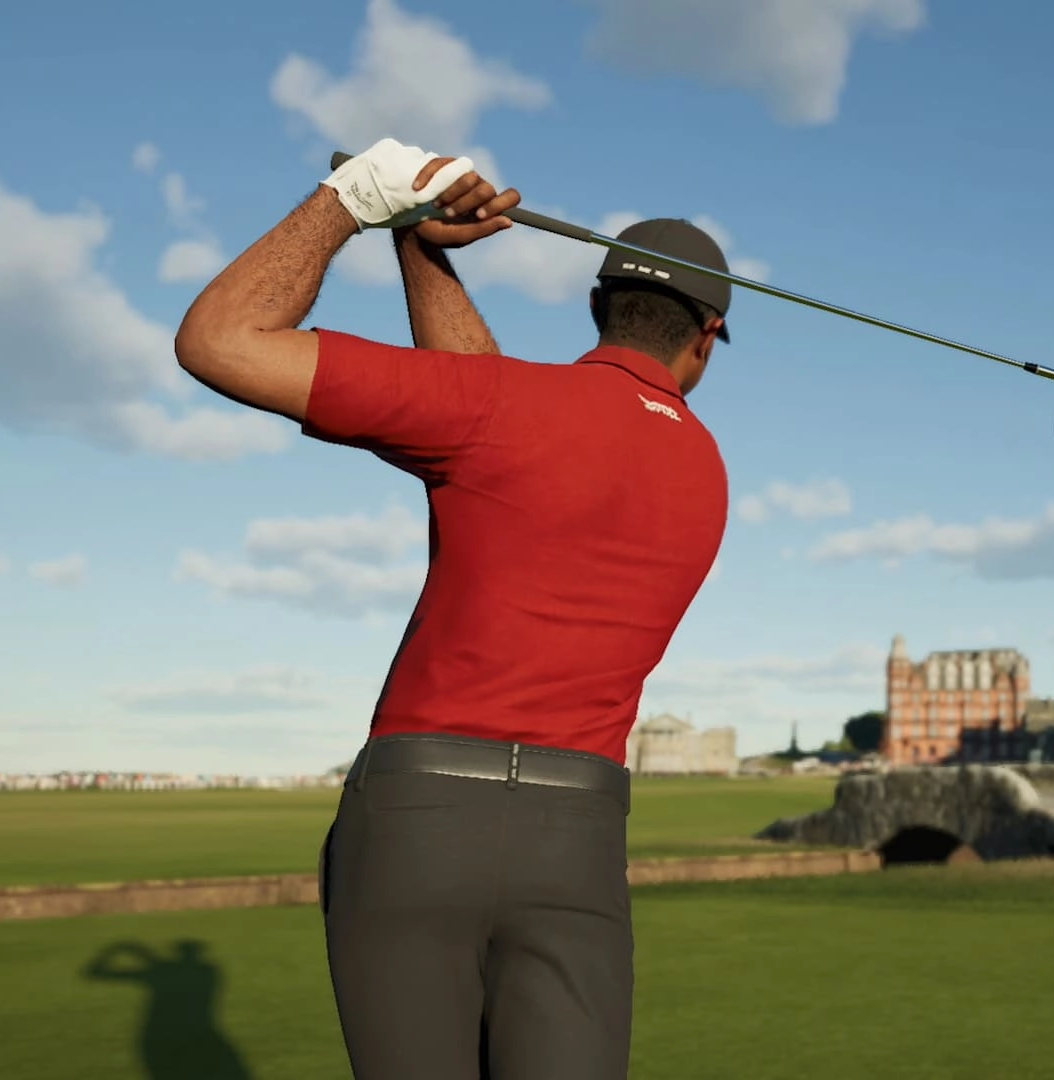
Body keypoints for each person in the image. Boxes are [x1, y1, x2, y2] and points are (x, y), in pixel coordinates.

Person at [175, 138, 736, 1080]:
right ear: (705, 337)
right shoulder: (706, 469)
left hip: (416, 821)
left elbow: (220, 340)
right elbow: (495, 408)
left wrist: (354, 201)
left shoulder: (499, 408)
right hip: (578, 837)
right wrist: (418, 248)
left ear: (596, 307)